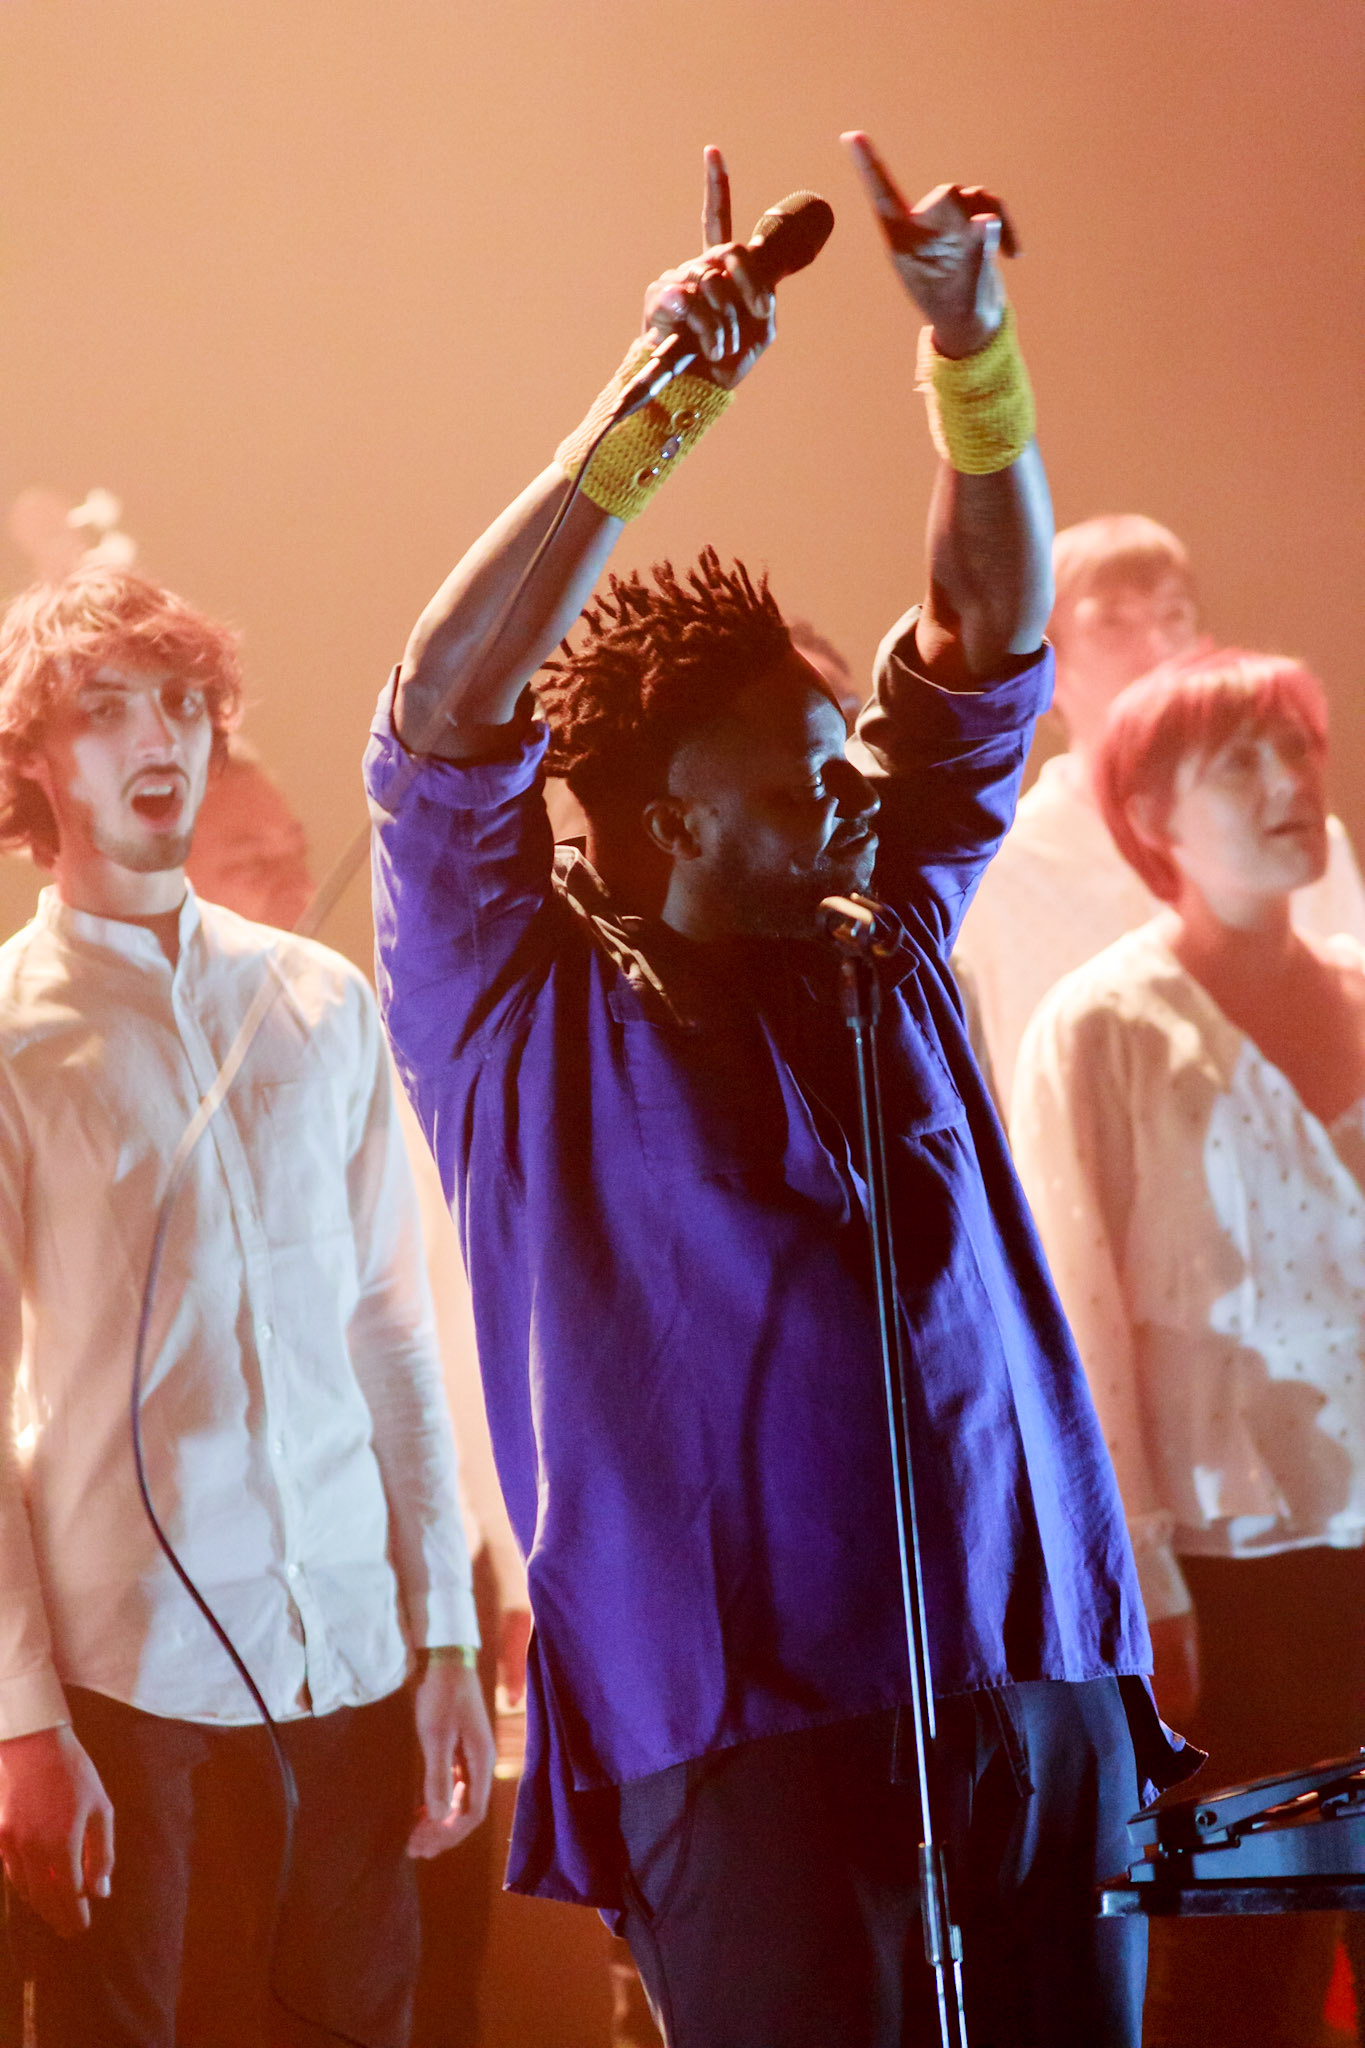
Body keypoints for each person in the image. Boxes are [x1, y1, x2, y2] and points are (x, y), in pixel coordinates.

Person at [364, 136, 1194, 2047]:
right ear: (668, 816)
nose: (850, 792)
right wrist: (648, 415)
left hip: (1029, 1665)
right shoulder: (522, 999)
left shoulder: (880, 924)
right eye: (805, 770)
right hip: (741, 1721)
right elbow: (436, 721)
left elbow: (992, 647)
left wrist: (974, 361)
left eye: (847, 758)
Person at [0, 568, 494, 2048]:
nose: (162, 739)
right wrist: (21, 1718)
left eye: (185, 706)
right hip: (125, 1677)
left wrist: (448, 1637)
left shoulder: (323, 1001)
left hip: (344, 1649)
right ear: (37, 758)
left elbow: (392, 1334)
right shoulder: (18, 1037)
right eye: (109, 712)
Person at [1011, 649, 1365, 2048]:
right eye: (1241, 763)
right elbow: (1077, 1329)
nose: (1289, 785)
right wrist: (1139, 1577)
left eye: (1301, 749)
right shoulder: (1099, 1029)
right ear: (1148, 812)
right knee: (1240, 1988)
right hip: (1229, 1589)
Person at [955, 514, 1365, 1102]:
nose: (1157, 647)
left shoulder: (1298, 840)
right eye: (1114, 621)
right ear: (1048, 667)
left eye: (1174, 615)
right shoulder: (1001, 871)